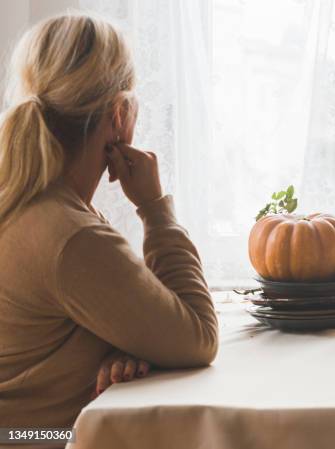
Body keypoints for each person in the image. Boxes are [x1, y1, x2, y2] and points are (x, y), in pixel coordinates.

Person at [0, 13, 218, 428]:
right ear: (119, 114)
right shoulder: (73, 238)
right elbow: (200, 337)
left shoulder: (29, 203)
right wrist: (155, 208)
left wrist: (130, 343)